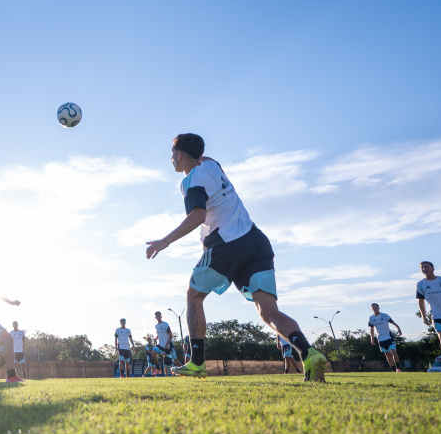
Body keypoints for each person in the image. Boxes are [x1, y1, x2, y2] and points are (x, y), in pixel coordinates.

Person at [145, 134, 329, 381]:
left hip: (227, 244)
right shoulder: (212, 165)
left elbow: (198, 215)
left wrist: (165, 241)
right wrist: (196, 152)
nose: (170, 159)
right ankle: (308, 353)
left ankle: (197, 363)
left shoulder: (190, 182)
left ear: (179, 155)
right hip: (256, 241)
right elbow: (204, 157)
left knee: (193, 296)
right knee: (268, 311)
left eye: (171, 154)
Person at [368, 303, 403, 372]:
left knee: (393, 352)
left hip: (389, 337)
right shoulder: (371, 318)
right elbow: (371, 329)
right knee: (387, 354)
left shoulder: (384, 315)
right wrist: (372, 338)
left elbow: (393, 323)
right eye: (373, 308)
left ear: (378, 308)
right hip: (380, 339)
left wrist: (399, 329)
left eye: (375, 307)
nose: (374, 308)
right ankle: (393, 370)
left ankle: (398, 368)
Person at [152, 311, 178, 375]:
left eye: (159, 316)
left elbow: (170, 335)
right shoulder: (156, 326)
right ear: (155, 317)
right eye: (156, 316)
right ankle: (158, 369)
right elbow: (160, 335)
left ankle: (185, 371)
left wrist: (167, 344)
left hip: (168, 345)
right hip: (161, 345)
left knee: (175, 360)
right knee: (153, 353)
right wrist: (156, 338)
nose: (158, 317)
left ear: (161, 316)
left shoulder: (165, 324)